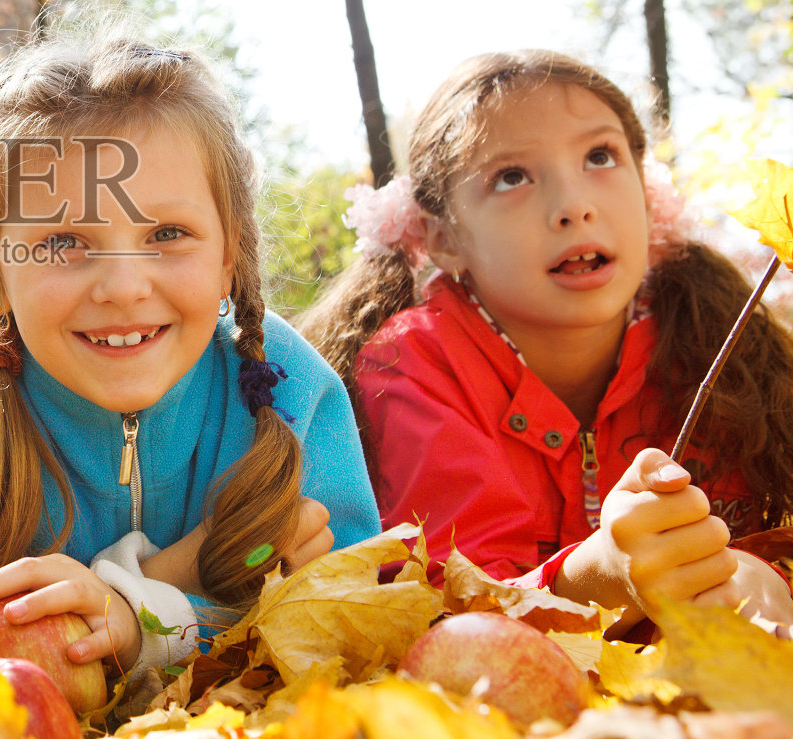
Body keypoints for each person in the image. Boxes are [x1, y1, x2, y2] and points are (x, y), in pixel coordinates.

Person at [0, 30, 380, 684]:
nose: (123, 287)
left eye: (167, 234)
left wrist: (142, 615)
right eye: (65, 240)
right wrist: (173, 578)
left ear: (229, 254)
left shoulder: (293, 399)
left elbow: (349, 616)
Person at [298, 49, 793, 636]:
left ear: (647, 190)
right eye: (512, 177)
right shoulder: (416, 365)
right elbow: (455, 605)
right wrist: (597, 575)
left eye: (600, 157)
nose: (574, 206)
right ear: (442, 238)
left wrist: (762, 574)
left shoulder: (716, 340)